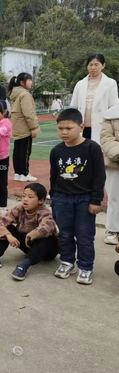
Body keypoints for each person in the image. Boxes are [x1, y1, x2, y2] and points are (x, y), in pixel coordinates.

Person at [50, 108, 106, 285]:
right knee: (65, 234)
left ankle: (85, 266)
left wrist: (96, 200)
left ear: (81, 126)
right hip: (62, 199)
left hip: (84, 199)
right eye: (60, 128)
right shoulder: (57, 151)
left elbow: (99, 176)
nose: (64, 132)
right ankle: (67, 262)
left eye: (69, 128)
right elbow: (54, 175)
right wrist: (54, 197)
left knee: (84, 236)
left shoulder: (92, 148)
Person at [0, 183, 58, 281]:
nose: (25, 199)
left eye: (30, 197)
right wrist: (8, 235)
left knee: (46, 239)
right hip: (29, 246)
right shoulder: (19, 209)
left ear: (40, 201)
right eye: (24, 196)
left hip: (47, 251)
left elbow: (48, 227)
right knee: (6, 228)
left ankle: (24, 265)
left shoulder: (44, 212)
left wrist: (33, 234)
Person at [70, 54, 119, 142]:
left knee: (99, 153)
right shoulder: (80, 84)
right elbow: (74, 107)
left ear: (103, 66)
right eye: (90, 65)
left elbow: (114, 108)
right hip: (82, 127)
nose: (93, 68)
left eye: (96, 65)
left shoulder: (110, 83)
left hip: (102, 127)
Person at [9, 73, 40, 182]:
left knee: (18, 151)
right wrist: (34, 127)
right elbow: (29, 113)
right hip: (24, 128)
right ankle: (24, 173)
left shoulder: (15, 94)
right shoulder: (25, 95)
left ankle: (18, 173)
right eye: (29, 80)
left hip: (17, 127)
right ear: (22, 82)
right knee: (25, 151)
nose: (31, 82)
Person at [100, 105, 119, 247]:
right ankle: (113, 230)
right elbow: (106, 138)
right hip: (115, 162)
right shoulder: (112, 114)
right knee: (115, 197)